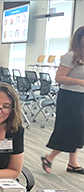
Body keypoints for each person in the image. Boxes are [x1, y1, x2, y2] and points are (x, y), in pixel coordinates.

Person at [41, 26, 84, 175]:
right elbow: (59, 78)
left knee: (79, 130)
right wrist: (79, 81)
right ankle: (49, 157)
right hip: (69, 97)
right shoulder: (71, 55)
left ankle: (72, 163)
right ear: (80, 39)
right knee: (71, 130)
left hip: (81, 97)